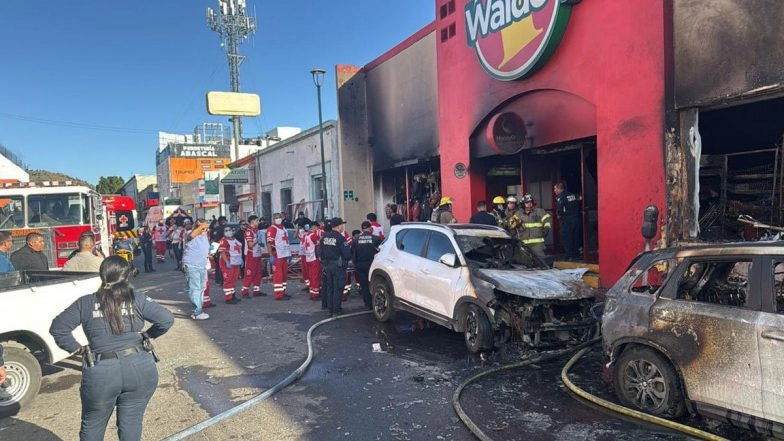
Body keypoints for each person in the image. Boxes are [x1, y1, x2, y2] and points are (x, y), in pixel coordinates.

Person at [49, 256, 174, 441]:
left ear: (103, 275)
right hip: (139, 366)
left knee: (93, 423)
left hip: (101, 370)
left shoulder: (86, 302)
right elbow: (166, 319)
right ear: (127, 276)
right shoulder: (137, 299)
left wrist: (77, 349)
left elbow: (58, 328)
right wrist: (148, 335)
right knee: (132, 421)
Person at [318, 217, 352, 316]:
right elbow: (347, 254)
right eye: (342, 225)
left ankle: (330, 309)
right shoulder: (340, 238)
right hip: (338, 266)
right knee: (338, 288)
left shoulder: (324, 237)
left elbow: (320, 252)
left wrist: (324, 262)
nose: (342, 227)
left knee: (330, 287)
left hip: (327, 265)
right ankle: (336, 310)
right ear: (338, 226)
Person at [182, 218, 212, 319]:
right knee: (195, 289)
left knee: (201, 288)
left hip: (201, 265)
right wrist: (200, 227)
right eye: (203, 227)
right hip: (192, 265)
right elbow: (190, 237)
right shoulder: (190, 233)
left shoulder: (204, 236)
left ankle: (199, 310)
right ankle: (197, 312)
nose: (205, 229)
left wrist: (209, 253)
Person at [353, 221, 382, 310]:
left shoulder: (356, 240)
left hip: (360, 265)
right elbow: (381, 251)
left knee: (364, 285)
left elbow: (353, 254)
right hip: (372, 264)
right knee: (374, 283)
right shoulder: (376, 239)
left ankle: (368, 304)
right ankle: (376, 302)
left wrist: (355, 264)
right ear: (370, 228)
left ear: (362, 229)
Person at [266, 212, 292, 301]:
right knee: (278, 275)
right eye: (276, 217)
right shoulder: (272, 229)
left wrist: (289, 253)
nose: (278, 219)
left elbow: (286, 242)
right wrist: (270, 256)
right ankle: (279, 294)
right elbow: (269, 243)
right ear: (273, 219)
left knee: (284, 275)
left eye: (279, 217)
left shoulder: (283, 228)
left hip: (284, 254)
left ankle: (283, 292)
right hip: (277, 254)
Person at [517, 194, 552, 259]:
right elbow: (511, 224)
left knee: (541, 260)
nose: (529, 204)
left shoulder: (539, 211)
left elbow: (547, 219)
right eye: (527, 202)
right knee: (525, 261)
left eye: (530, 202)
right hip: (524, 243)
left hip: (537, 243)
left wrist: (547, 227)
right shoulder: (518, 214)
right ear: (523, 204)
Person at [554, 182, 582, 261]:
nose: (554, 190)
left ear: (559, 189)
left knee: (566, 237)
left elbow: (560, 209)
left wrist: (559, 216)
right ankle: (576, 254)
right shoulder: (571, 195)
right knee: (575, 237)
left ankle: (568, 255)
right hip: (576, 219)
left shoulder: (561, 197)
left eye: (555, 188)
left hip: (567, 220)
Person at [240, 215, 266, 298]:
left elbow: (258, 243)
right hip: (251, 254)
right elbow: (250, 244)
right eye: (257, 221)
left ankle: (256, 290)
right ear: (252, 222)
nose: (258, 222)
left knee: (258, 273)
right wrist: (257, 240)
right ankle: (244, 291)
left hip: (257, 254)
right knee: (249, 273)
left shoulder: (256, 231)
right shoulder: (249, 231)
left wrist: (260, 243)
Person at [217, 225, 243, 304]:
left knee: (234, 279)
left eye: (229, 230)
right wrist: (227, 262)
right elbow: (222, 252)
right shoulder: (223, 240)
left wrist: (241, 260)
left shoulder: (234, 239)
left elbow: (238, 250)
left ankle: (232, 295)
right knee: (228, 280)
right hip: (227, 262)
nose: (228, 231)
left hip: (235, 262)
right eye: (226, 230)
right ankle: (228, 298)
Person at [302, 222, 322, 300]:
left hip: (308, 258)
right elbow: (318, 244)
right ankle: (315, 294)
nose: (317, 229)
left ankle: (312, 293)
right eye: (316, 227)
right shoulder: (313, 235)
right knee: (315, 277)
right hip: (314, 258)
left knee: (311, 276)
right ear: (313, 227)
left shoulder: (307, 235)